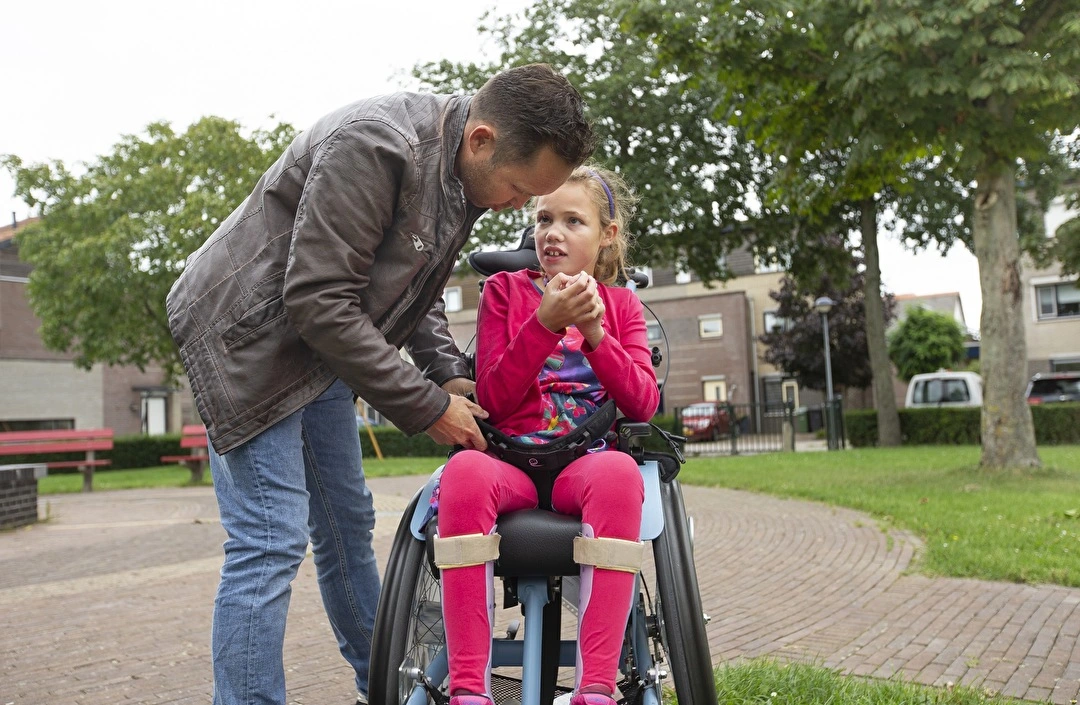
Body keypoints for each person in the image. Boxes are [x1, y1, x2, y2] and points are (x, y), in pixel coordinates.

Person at [164, 64, 595, 705]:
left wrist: (449, 374)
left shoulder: (462, 176)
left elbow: (416, 293)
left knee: (345, 523)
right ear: (481, 139)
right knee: (269, 537)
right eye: (514, 188)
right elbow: (317, 298)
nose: (512, 206)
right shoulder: (374, 145)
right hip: (248, 341)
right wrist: (427, 408)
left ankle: (385, 685)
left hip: (323, 347)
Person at [434, 165, 659, 705]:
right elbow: (493, 396)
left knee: (619, 474)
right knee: (463, 470)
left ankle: (596, 689)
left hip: (581, 464)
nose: (552, 231)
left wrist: (595, 334)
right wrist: (542, 324)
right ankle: (470, 690)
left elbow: (642, 403)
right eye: (543, 218)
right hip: (510, 460)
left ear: (606, 234)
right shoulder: (504, 293)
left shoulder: (622, 305)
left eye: (572, 220)